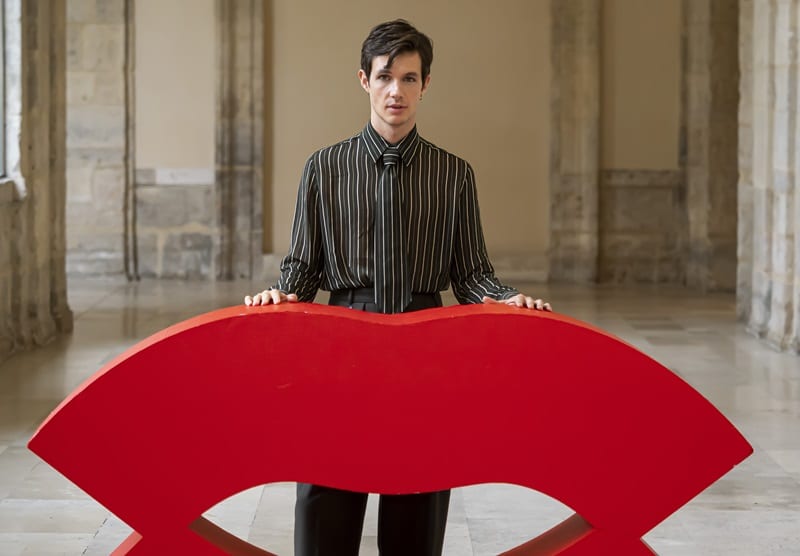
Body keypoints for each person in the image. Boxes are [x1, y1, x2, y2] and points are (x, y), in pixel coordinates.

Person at [245, 18, 552, 556]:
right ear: (364, 80)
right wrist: (280, 293)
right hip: (342, 340)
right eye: (385, 77)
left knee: (419, 494)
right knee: (326, 493)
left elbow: (470, 273)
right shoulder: (325, 168)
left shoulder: (453, 174)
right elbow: (303, 268)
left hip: (426, 344)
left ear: (425, 84)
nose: (396, 91)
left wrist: (504, 298)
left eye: (409, 78)